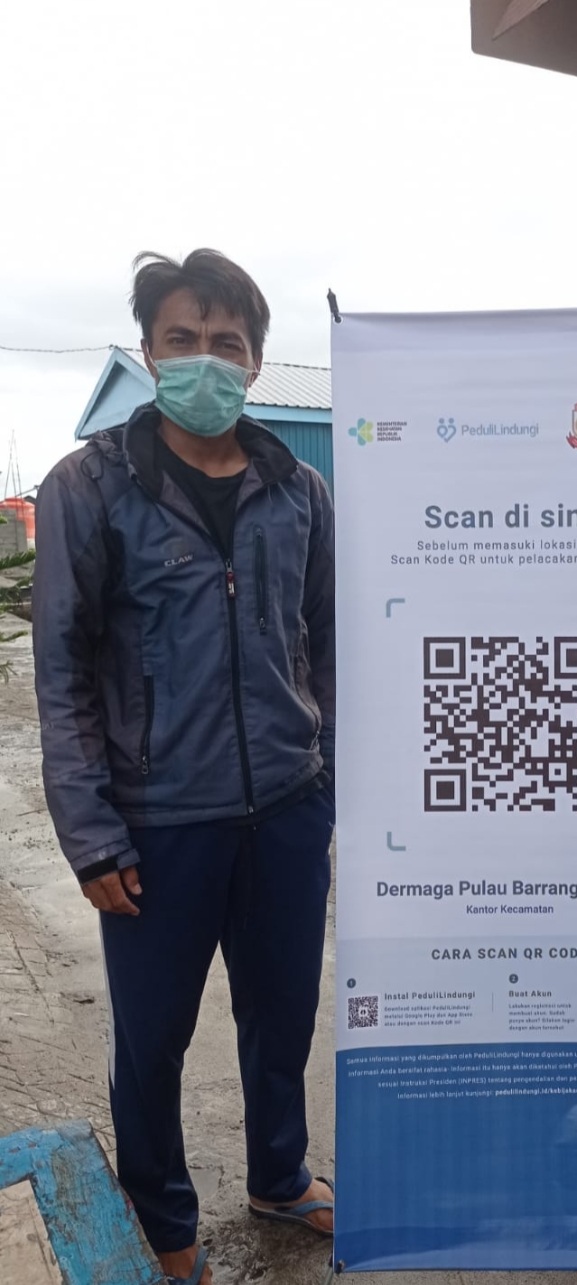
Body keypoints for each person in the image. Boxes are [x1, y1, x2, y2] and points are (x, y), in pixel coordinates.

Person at [33, 250, 336, 1285]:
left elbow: (325, 644)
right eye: (182, 340)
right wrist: (90, 834)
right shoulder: (88, 488)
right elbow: (63, 670)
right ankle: (164, 1221)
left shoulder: (299, 490)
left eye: (226, 344)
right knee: (153, 1039)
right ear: (149, 351)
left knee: (282, 1017)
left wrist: (325, 777)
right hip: (155, 823)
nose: (204, 359)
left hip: (286, 811)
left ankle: (280, 1175)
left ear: (254, 362)